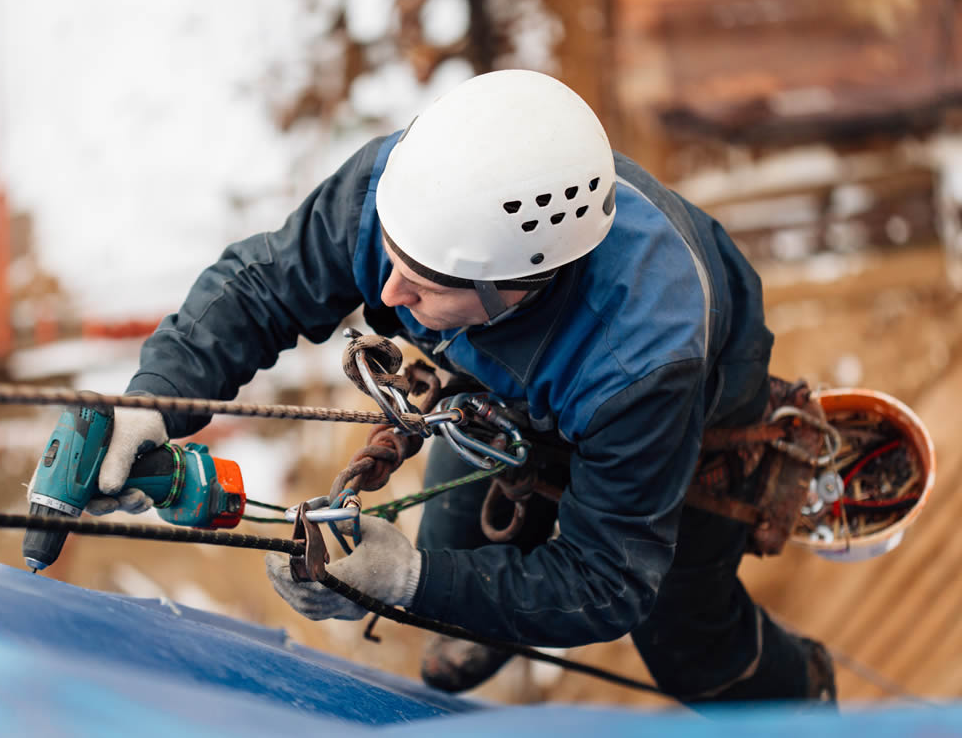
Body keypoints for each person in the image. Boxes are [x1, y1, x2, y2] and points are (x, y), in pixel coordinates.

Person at [75, 70, 836, 705]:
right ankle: (489, 628)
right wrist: (155, 398)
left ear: (523, 284)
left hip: (688, 412)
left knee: (685, 642)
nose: (391, 290)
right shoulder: (409, 194)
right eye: (392, 255)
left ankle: (802, 689)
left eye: (426, 281)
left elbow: (609, 577)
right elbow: (259, 288)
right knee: (455, 548)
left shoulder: (644, 352)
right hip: (511, 385)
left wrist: (407, 579)